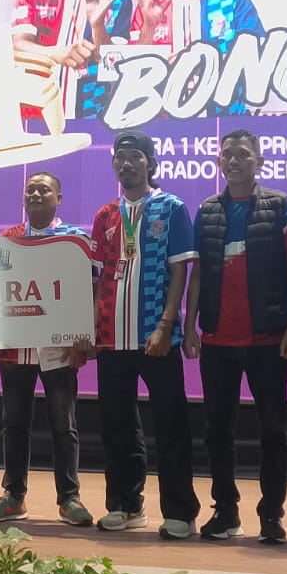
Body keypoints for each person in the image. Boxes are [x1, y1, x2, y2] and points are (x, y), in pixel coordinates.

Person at [182, 130, 287, 545]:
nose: (233, 160)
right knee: (217, 431)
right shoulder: (207, 210)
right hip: (217, 339)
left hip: (268, 340)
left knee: (273, 431)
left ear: (259, 160)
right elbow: (199, 272)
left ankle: (271, 515)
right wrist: (189, 325)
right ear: (219, 162)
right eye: (227, 154)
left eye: (242, 154)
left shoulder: (281, 206)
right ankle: (226, 511)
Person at [89, 132, 201, 538]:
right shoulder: (105, 215)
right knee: (116, 425)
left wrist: (167, 326)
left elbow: (179, 270)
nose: (126, 164)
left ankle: (180, 511)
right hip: (112, 338)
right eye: (120, 158)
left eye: (135, 157)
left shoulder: (171, 207)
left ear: (151, 164)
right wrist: (91, 328)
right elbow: (98, 277)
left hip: (156, 336)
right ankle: (125, 504)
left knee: (170, 424)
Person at [0, 172, 95, 527]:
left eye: (44, 189)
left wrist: (84, 336)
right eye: (30, 189)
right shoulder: (6, 240)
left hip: (59, 348)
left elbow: (90, 289)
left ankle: (69, 499)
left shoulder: (75, 240)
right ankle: (13, 497)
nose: (36, 194)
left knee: (63, 424)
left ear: (59, 198)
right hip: (15, 348)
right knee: (14, 424)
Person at [131, 0, 265, 114]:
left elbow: (258, 59)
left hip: (225, 117)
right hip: (162, 120)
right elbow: (134, 73)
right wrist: (149, 26)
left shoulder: (233, 1)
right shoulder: (150, 7)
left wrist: (199, 63)